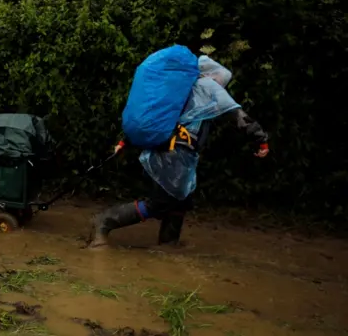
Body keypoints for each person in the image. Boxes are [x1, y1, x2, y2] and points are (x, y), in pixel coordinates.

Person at [88, 55, 270, 248]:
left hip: (177, 153)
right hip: (173, 153)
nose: (221, 84)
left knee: (181, 201)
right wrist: (261, 139)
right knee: (159, 203)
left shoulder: (182, 91)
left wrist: (125, 140)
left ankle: (168, 246)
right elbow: (237, 115)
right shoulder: (208, 87)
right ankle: (104, 221)